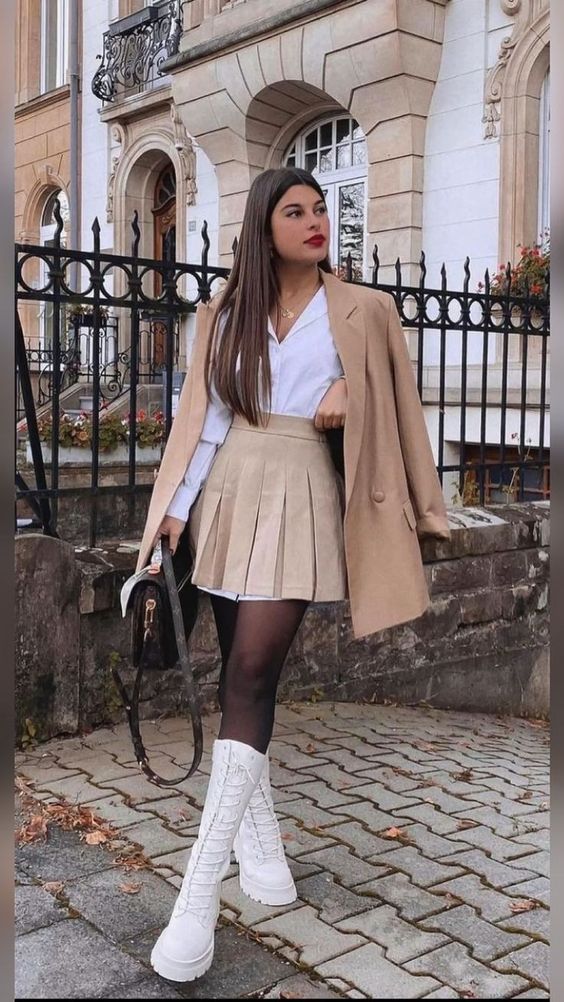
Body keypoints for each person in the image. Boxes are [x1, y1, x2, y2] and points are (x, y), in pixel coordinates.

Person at [132, 166, 451, 983]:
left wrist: (351, 390)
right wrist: (173, 514)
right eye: (295, 210)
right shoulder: (224, 312)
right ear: (263, 228)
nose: (315, 221)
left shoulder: (366, 309)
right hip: (226, 491)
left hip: (303, 485)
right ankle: (262, 842)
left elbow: (398, 407)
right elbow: (204, 422)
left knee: (252, 669)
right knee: (239, 676)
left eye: (320, 209)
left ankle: (196, 897)